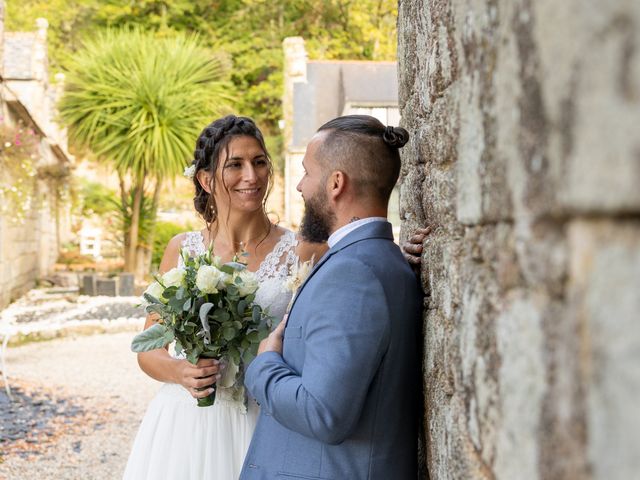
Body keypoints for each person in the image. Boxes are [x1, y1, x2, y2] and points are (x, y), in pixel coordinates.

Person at [123, 115, 326, 480]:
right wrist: (182, 372)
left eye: (259, 162)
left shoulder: (302, 249)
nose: (252, 176)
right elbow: (147, 349)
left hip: (266, 417)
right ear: (205, 178)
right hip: (188, 423)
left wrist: (396, 254)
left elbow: (352, 275)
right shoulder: (181, 250)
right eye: (235, 164)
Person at [240, 115, 422, 479]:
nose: (301, 187)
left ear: (336, 183)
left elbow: (322, 413)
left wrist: (263, 365)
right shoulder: (374, 261)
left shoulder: (353, 274)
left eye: (307, 173)